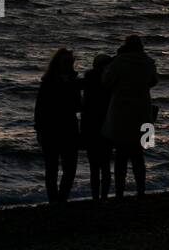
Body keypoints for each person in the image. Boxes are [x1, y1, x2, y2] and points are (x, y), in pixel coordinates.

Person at [101, 35, 158, 200]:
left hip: (121, 113)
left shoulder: (119, 62)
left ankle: (119, 192)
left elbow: (105, 81)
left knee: (121, 156)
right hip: (142, 112)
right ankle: (141, 190)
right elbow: (153, 82)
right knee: (138, 156)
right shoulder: (148, 62)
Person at [34, 47, 81, 203]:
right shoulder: (48, 82)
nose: (68, 64)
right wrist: (38, 129)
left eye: (70, 61)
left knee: (69, 168)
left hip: (69, 128)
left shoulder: (74, 81)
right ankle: (54, 201)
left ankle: (61, 199)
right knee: (52, 168)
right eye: (66, 61)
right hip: (51, 129)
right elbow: (39, 107)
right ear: (58, 63)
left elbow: (77, 105)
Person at [80, 53, 113, 201]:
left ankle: (95, 197)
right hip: (105, 125)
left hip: (90, 125)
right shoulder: (109, 82)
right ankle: (104, 196)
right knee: (105, 164)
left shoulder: (89, 79)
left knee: (94, 166)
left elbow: (84, 104)